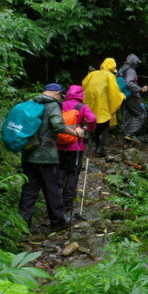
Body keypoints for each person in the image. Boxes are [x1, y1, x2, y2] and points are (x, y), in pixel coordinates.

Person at [18, 84, 86, 231]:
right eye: (61, 95)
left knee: (29, 189)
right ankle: (57, 222)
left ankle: (23, 224)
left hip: (28, 153)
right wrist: (76, 133)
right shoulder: (52, 105)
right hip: (46, 156)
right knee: (52, 189)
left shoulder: (32, 103)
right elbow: (57, 125)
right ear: (57, 93)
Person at [56, 84, 96, 217]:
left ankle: (56, 201)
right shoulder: (82, 107)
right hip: (76, 146)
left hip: (59, 144)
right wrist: (88, 129)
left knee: (60, 171)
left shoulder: (60, 105)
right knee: (73, 173)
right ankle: (67, 202)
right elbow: (92, 119)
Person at [81, 58, 125, 156]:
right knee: (104, 126)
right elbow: (114, 92)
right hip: (103, 105)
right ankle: (100, 148)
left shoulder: (92, 74)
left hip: (90, 104)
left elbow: (84, 85)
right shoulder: (110, 76)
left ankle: (90, 146)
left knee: (94, 124)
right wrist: (122, 96)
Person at [119, 53, 148, 142]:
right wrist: (141, 89)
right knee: (142, 114)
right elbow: (129, 83)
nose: (137, 65)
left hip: (123, 96)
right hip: (132, 96)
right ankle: (129, 134)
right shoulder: (131, 71)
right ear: (133, 62)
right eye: (136, 63)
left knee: (127, 117)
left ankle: (126, 141)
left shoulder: (121, 70)